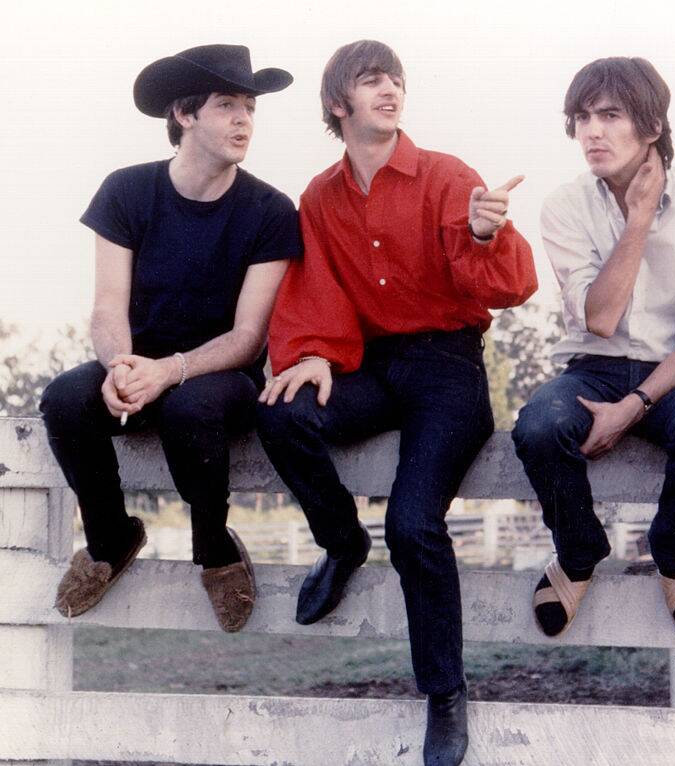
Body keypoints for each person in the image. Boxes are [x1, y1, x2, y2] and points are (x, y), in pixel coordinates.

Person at [255, 40, 536, 766]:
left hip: (448, 368)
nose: (389, 90)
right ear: (337, 105)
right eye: (371, 80)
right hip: (369, 365)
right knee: (280, 411)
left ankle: (444, 695)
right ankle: (341, 543)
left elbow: (509, 289)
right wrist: (313, 350)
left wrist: (484, 232)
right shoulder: (319, 197)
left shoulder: (447, 176)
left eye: (396, 80)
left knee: (414, 526)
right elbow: (313, 289)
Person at [40, 44, 300, 633]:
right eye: (227, 105)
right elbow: (107, 308)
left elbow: (248, 336)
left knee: (189, 406)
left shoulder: (270, 210)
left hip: (220, 379)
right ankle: (111, 538)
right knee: (64, 398)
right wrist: (119, 366)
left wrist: (170, 370)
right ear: (185, 115)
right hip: (138, 362)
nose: (244, 122)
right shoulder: (126, 191)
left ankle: (213, 546)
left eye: (250, 108)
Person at [512, 57, 675, 641]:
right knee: (538, 427)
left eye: (610, 115)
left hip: (674, 373)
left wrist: (635, 404)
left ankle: (673, 547)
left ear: (652, 126)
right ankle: (579, 549)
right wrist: (637, 221)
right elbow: (602, 318)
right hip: (592, 367)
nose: (591, 131)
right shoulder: (566, 205)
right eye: (582, 117)